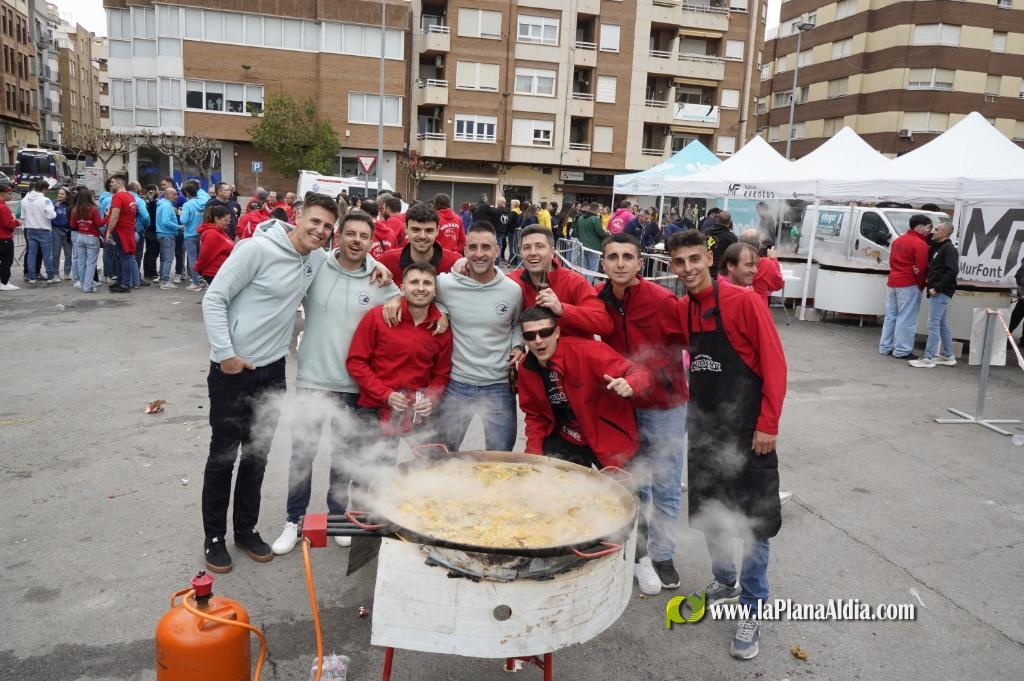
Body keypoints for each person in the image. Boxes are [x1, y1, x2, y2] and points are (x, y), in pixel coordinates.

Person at [199, 193, 338, 574]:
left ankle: (245, 529)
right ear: (298, 216)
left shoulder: (314, 260)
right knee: (223, 456)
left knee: (257, 455)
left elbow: (349, 265)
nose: (320, 231)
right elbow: (214, 299)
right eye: (315, 222)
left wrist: (377, 269)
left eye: (328, 227)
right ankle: (214, 537)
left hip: (272, 371)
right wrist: (225, 354)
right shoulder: (255, 250)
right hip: (232, 370)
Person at [665, 229, 787, 661]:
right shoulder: (682, 309)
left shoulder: (743, 301)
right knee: (713, 517)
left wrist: (768, 424)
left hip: (751, 433)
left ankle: (752, 605)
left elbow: (775, 365)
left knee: (754, 526)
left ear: (709, 258)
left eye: (695, 259)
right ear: (673, 267)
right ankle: (724, 579)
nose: (688, 269)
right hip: (706, 433)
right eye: (679, 263)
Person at [271, 209, 401, 555]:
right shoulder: (315, 266)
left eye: (364, 236)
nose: (356, 240)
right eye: (350, 234)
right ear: (338, 235)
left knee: (344, 457)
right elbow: (282, 246)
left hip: (354, 385)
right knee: (303, 454)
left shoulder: (378, 278)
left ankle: (338, 517)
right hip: (313, 378)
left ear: (372, 241)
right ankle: (293, 521)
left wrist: (387, 275)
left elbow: (407, 302)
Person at [596, 234, 688, 595]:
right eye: (613, 257)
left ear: (639, 263)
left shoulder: (662, 300)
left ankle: (663, 554)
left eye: (628, 257)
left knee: (665, 485)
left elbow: (687, 344)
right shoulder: (599, 298)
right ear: (603, 263)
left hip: (665, 404)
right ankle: (639, 553)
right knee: (635, 485)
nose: (620, 263)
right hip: (625, 405)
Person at [516, 306, 651, 469]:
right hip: (566, 438)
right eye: (530, 336)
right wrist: (533, 454)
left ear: (557, 332)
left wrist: (630, 383)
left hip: (606, 436)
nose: (538, 340)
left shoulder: (588, 351)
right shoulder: (526, 367)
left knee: (620, 491)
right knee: (559, 488)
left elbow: (639, 371)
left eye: (545, 333)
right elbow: (535, 414)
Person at [431, 222, 524, 451]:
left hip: (499, 386)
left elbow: (517, 324)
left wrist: (518, 345)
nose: (479, 253)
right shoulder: (445, 284)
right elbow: (417, 295)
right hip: (457, 384)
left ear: (497, 250)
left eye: (486, 247)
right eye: (473, 247)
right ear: (464, 251)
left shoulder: (512, 291)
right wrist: (440, 309)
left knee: (500, 459)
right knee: (443, 456)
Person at [347, 262, 453, 439]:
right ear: (403, 288)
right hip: (374, 410)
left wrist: (430, 398)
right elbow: (356, 362)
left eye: (427, 283)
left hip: (416, 413)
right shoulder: (377, 317)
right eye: (414, 282)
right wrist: (385, 394)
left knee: (426, 465)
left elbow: (441, 373)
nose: (420, 288)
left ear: (435, 290)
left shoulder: (440, 328)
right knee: (369, 465)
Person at [508, 225, 613, 338]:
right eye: (527, 247)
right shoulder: (513, 281)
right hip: (538, 353)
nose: (533, 252)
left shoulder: (574, 281)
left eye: (540, 246)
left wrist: (562, 309)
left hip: (575, 353)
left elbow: (604, 324)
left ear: (552, 252)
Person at [879, 214, 931, 360]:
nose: (929, 231)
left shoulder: (898, 241)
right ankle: (902, 350)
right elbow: (921, 268)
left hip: (893, 281)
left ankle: (885, 346)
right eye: (928, 227)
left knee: (891, 316)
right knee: (907, 318)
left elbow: (891, 261)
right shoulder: (920, 244)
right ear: (920, 227)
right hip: (909, 283)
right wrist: (921, 285)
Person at [910, 218, 959, 368]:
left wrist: (936, 288)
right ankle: (949, 355)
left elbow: (952, 271)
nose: (933, 231)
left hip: (940, 292)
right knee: (941, 324)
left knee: (933, 324)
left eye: (937, 229)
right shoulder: (939, 247)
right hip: (938, 290)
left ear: (944, 233)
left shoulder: (949, 249)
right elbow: (937, 268)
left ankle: (929, 358)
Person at [376, 202, 459, 281]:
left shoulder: (455, 264)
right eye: (416, 230)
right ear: (406, 229)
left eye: (429, 230)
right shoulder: (386, 262)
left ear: (437, 231)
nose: (422, 236)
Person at [105, 175, 138, 293]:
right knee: (121, 257)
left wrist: (108, 231)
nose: (110, 184)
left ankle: (124, 284)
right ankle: (121, 282)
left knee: (125, 257)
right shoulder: (130, 196)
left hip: (120, 231)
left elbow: (115, 215)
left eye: (112, 182)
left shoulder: (118, 197)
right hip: (128, 230)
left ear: (119, 183)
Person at [21, 180, 57, 284]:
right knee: (47, 255)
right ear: (44, 189)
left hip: (30, 229)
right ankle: (51, 276)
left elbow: (23, 216)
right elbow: (52, 215)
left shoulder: (25, 200)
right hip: (43, 229)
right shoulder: (45, 200)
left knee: (32, 254)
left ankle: (31, 277)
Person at [69, 189, 104, 294]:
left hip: (80, 236)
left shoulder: (75, 209)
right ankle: (88, 287)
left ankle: (84, 284)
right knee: (91, 263)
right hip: (92, 237)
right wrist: (106, 218)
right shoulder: (93, 208)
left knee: (81, 262)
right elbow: (99, 224)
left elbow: (72, 225)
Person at [180, 180, 211, 291]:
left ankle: (196, 283)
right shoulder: (205, 203)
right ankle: (203, 280)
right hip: (201, 234)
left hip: (190, 234)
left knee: (192, 259)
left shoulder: (187, 205)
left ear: (187, 193)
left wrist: (181, 214)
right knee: (201, 258)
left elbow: (184, 220)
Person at [739, 229, 784, 304]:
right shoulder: (766, 264)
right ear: (759, 245)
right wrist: (773, 260)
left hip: (737, 308)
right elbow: (778, 284)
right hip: (758, 308)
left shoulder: (731, 261)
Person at [195, 205, 235, 284]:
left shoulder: (219, 231)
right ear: (217, 219)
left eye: (229, 220)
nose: (228, 223)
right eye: (226, 220)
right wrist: (198, 269)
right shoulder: (211, 234)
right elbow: (205, 256)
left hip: (220, 272)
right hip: (214, 273)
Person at [575, 202, 607, 282]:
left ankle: (583, 286)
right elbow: (601, 233)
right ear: (596, 210)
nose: (600, 211)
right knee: (593, 270)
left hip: (583, 246)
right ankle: (587, 287)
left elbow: (577, 232)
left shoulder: (581, 218)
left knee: (585, 269)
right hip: (594, 248)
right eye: (599, 210)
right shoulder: (595, 219)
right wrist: (608, 233)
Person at [156, 187, 181, 289]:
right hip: (167, 234)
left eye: (176, 194)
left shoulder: (162, 204)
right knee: (168, 259)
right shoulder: (166, 206)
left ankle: (162, 279)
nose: (176, 196)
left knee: (163, 258)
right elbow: (166, 221)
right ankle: (165, 281)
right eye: (174, 194)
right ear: (167, 195)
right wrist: (179, 227)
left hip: (162, 234)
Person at [127, 181, 151, 288]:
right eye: (140, 186)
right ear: (136, 189)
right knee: (137, 255)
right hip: (137, 229)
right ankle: (136, 278)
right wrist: (147, 225)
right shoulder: (139, 201)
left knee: (125, 256)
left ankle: (126, 278)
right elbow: (146, 217)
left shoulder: (122, 197)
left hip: (123, 229)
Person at [0, 181, 22, 291]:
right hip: (4, 238)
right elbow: (8, 224)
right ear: (3, 193)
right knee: (6, 261)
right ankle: (4, 282)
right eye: (9, 194)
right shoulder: (3, 207)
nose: (11, 196)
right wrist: (17, 222)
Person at [704, 210, 737, 279]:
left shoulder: (706, 232)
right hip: (721, 273)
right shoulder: (731, 237)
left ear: (717, 220)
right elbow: (735, 256)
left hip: (705, 270)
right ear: (729, 222)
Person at [51, 187, 72, 283]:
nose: (60, 195)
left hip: (67, 231)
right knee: (56, 253)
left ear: (67, 196)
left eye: (62, 194)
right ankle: (55, 273)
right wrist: (55, 207)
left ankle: (67, 273)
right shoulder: (52, 203)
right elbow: (49, 215)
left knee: (68, 253)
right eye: (59, 193)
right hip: (56, 230)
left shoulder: (70, 205)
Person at [142, 185, 161, 281]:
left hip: (148, 230)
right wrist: (152, 200)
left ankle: (147, 272)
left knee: (148, 251)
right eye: (157, 190)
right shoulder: (153, 203)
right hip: (153, 231)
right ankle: (151, 272)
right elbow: (153, 216)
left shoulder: (146, 202)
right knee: (153, 252)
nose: (159, 191)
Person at [493, 196, 516, 264]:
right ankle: (497, 260)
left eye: (497, 202)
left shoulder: (496, 210)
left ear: (499, 203)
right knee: (500, 245)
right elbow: (508, 221)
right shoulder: (508, 211)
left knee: (496, 246)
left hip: (496, 230)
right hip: (503, 231)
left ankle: (496, 261)